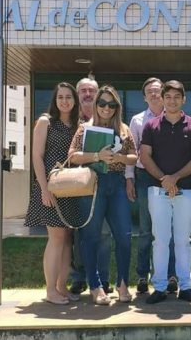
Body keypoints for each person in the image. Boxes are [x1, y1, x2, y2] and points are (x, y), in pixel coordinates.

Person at [68, 85, 136, 305]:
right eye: (102, 103)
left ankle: (123, 283)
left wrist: (119, 158)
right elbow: (72, 156)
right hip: (92, 185)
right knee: (91, 237)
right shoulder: (84, 128)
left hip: (116, 185)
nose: (107, 108)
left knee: (124, 236)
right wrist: (97, 155)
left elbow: (134, 157)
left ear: (117, 106)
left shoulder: (124, 129)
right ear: (96, 105)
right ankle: (95, 286)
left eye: (111, 104)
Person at [140, 80, 191, 304]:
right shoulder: (151, 126)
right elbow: (145, 156)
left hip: (186, 191)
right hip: (157, 191)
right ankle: (159, 287)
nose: (172, 100)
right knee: (160, 240)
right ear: (162, 99)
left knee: (183, 240)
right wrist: (163, 179)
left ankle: (186, 287)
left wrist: (174, 178)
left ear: (183, 99)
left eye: (177, 97)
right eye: (168, 97)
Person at [24, 82, 81, 305]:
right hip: (50, 188)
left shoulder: (79, 125)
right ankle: (50, 290)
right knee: (56, 238)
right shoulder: (46, 122)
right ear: (55, 100)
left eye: (68, 97)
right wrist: (44, 189)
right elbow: (37, 156)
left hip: (71, 188)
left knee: (67, 239)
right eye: (60, 97)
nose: (64, 101)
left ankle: (61, 287)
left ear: (75, 100)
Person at [125, 77, 177, 295]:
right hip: (145, 176)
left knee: (170, 229)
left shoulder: (173, 117)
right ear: (144, 97)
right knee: (147, 230)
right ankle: (142, 275)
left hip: (170, 177)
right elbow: (132, 151)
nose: (154, 94)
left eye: (158, 90)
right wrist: (129, 179)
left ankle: (170, 276)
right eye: (150, 92)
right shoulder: (137, 121)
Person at [69, 77, 113, 296]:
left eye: (91, 90)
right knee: (79, 234)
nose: (87, 94)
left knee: (103, 233)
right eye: (83, 90)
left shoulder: (109, 120)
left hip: (103, 185)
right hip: (75, 184)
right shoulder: (69, 119)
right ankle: (79, 278)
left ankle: (103, 279)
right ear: (78, 95)